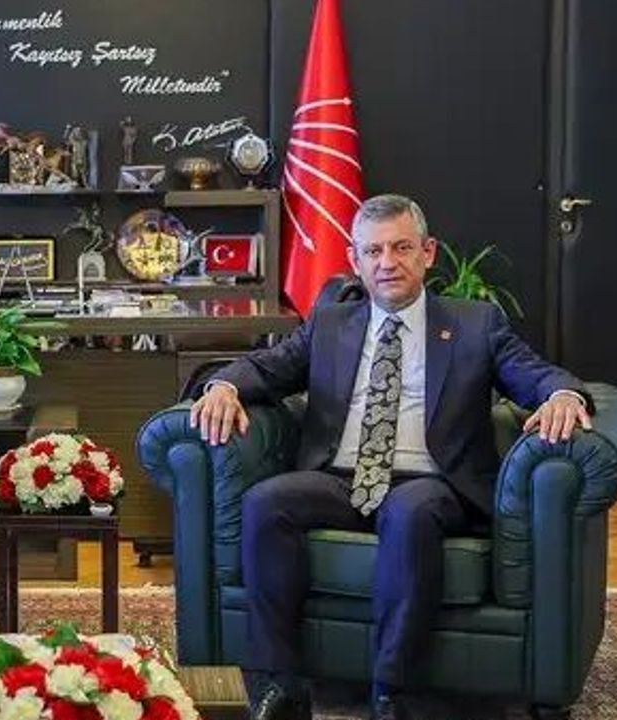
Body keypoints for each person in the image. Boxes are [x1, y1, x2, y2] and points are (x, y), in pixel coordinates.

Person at [190, 194, 592, 720]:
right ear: (354, 260)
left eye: (401, 247)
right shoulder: (331, 322)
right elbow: (269, 366)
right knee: (267, 502)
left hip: (432, 480)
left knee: (409, 511)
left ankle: (393, 692)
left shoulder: (476, 324)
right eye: (373, 251)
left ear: (428, 252)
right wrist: (223, 386)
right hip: (340, 477)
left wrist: (562, 395)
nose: (387, 262)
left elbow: (533, 374)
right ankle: (280, 686)